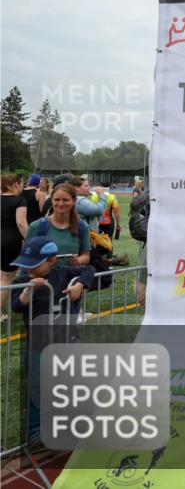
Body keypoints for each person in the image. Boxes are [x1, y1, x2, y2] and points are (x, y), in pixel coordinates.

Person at [10, 236, 95, 445]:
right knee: (37, 388)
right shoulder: (22, 280)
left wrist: (80, 285)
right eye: (24, 263)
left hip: (63, 343)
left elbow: (89, 269)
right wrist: (28, 290)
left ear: (52, 260)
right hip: (38, 347)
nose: (26, 268)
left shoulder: (62, 273)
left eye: (33, 264)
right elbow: (15, 306)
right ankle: (35, 430)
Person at [1, 174, 29, 312]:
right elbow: (21, 223)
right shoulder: (19, 201)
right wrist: (30, 239)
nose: (22, 187)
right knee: (6, 279)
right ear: (15, 184)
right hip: (11, 241)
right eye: (21, 184)